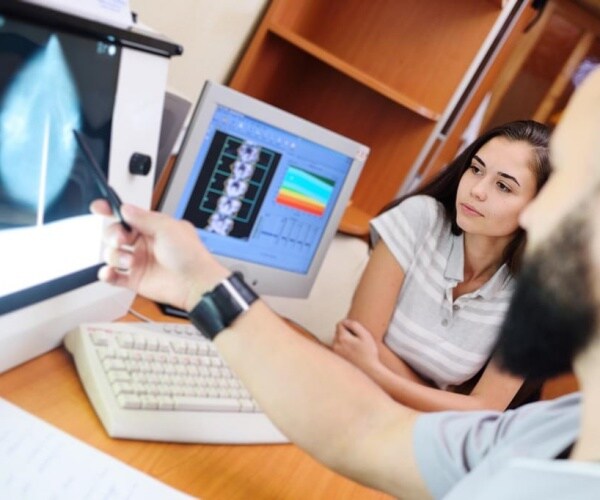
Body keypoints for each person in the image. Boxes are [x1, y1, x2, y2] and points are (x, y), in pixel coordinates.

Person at [93, 67, 600, 499]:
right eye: (477, 170)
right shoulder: (549, 432)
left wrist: (380, 370)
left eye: (571, 193)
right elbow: (365, 423)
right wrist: (200, 283)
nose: (538, 218)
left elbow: (467, 409)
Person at [332, 120, 551, 412]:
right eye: (476, 169)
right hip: (350, 391)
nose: (477, 190)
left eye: (503, 186)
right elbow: (357, 341)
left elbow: (486, 408)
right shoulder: (420, 218)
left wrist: (378, 371)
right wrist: (445, 399)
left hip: (420, 429)